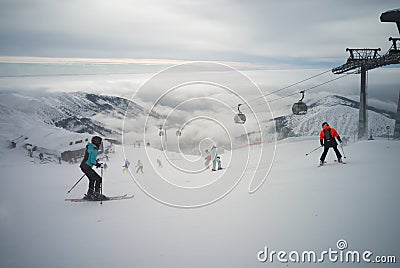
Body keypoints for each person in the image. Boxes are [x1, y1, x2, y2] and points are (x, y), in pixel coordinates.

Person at [80, 136, 109, 200]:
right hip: (87, 167)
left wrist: (96, 162)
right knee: (99, 179)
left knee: (92, 179)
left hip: (83, 166)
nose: (100, 144)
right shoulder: (94, 149)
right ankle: (96, 194)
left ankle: (90, 194)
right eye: (100, 142)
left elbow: (90, 158)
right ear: (97, 142)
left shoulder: (90, 147)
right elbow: (92, 161)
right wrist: (98, 164)